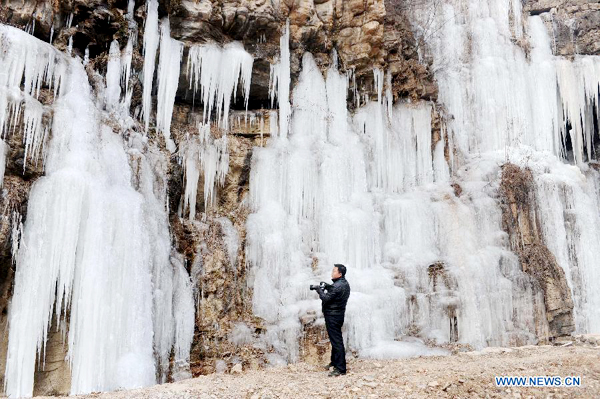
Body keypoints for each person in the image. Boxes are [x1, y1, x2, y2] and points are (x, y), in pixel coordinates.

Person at [314, 264, 351, 376]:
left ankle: (340, 369)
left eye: (334, 271)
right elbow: (336, 292)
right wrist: (328, 286)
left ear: (340, 274)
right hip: (338, 315)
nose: (332, 272)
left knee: (337, 342)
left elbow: (325, 298)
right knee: (336, 340)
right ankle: (334, 362)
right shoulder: (343, 283)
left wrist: (318, 290)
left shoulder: (337, 286)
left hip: (333, 316)